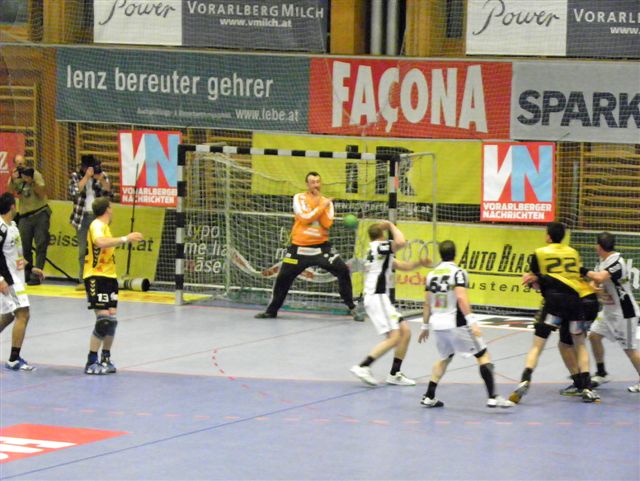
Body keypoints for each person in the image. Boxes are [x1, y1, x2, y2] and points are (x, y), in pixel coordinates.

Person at [418, 240, 514, 408]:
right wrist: (472, 321)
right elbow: (461, 298)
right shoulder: (458, 273)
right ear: (455, 254)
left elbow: (426, 303)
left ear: (441, 255)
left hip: (438, 325)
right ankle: (493, 397)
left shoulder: (431, 274)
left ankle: (429, 396)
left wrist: (425, 326)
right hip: (456, 324)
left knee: (445, 358)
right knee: (482, 355)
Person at [255, 172, 363, 321]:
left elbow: (327, 223)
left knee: (343, 270)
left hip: (321, 249)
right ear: (307, 184)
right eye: (312, 182)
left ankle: (352, 307)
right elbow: (305, 218)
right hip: (299, 249)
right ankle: (271, 311)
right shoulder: (299, 198)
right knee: (283, 278)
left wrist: (321, 204)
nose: (316, 185)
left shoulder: (327, 202)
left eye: (318, 182)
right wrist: (321, 206)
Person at [511, 222, 600, 403]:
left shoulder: (539, 253)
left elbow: (535, 281)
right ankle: (587, 388)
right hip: (575, 302)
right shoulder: (573, 252)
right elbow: (576, 275)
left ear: (548, 236)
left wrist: (533, 281)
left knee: (537, 345)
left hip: (553, 303)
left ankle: (525, 379)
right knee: (580, 344)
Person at [350, 221, 431, 386]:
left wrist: (419, 263)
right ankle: (363, 366)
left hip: (381, 299)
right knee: (394, 337)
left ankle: (394, 374)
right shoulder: (380, 247)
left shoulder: (377, 251)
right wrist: (391, 225)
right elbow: (401, 242)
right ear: (382, 234)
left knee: (405, 331)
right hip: (377, 296)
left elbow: (401, 265)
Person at [83, 197, 143, 375]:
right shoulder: (97, 225)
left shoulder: (105, 227)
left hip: (109, 277)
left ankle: (106, 358)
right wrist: (126, 238)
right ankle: (91, 361)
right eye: (111, 207)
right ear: (108, 209)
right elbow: (100, 242)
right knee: (104, 319)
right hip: (96, 277)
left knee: (112, 321)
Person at [582, 232, 640, 393]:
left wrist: (581, 270)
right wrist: (597, 289)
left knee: (629, 349)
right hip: (608, 311)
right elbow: (595, 282)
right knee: (594, 336)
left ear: (599, 247)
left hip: (625, 313)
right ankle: (601, 373)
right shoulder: (602, 262)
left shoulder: (617, 261)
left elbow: (600, 277)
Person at [0, 192, 45, 371]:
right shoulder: (1, 228)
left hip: (17, 278)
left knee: (9, 315)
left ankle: (14, 357)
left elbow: (17, 256)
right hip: (9, 280)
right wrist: (1, 279)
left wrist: (31, 268)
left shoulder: (13, 227)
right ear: (12, 206)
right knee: (23, 314)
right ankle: (14, 359)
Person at [6, 154, 50, 286]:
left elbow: (42, 193)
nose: (21, 166)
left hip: (40, 213)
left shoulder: (34, 174)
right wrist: (13, 179)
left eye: (22, 163)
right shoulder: (15, 177)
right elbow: (9, 192)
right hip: (25, 216)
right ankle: (27, 272)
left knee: (41, 244)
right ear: (15, 165)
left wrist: (31, 181)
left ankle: (37, 274)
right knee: (24, 246)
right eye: (18, 164)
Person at [69, 154, 113, 287]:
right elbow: (74, 192)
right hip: (82, 217)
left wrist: (101, 179)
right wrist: (86, 177)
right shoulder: (76, 176)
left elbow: (109, 192)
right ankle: (83, 279)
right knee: (83, 250)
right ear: (83, 167)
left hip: (97, 217)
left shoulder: (101, 174)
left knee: (99, 249)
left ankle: (100, 277)